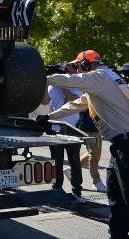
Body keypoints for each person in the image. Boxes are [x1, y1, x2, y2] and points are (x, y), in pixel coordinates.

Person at [37, 50, 129, 238]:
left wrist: (43, 77)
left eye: (79, 66)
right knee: (116, 196)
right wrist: (50, 117)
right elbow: (78, 103)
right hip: (120, 144)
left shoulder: (99, 77)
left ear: (87, 65)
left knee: (125, 197)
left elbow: (73, 81)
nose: (77, 70)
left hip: (126, 145)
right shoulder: (107, 79)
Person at [47, 64, 85, 203]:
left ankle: (77, 191)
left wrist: (64, 85)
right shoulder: (52, 87)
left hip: (72, 129)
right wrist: (44, 84)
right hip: (55, 128)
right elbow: (45, 101)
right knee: (56, 162)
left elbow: (72, 99)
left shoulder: (78, 85)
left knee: (74, 161)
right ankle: (57, 188)